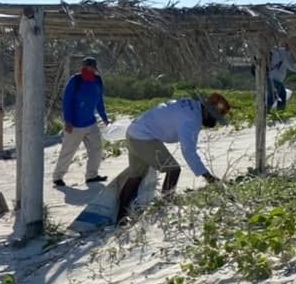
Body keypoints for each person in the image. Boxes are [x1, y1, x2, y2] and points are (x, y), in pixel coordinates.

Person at [117, 93, 230, 221]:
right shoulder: (192, 120)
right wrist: (209, 177)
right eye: (214, 118)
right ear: (207, 111)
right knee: (173, 169)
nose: (214, 122)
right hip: (143, 136)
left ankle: (120, 216)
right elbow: (189, 152)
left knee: (136, 176)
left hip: (133, 131)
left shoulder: (191, 105)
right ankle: (164, 207)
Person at [52, 56, 111, 188]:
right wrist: (68, 121)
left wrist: (105, 118)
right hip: (74, 125)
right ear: (82, 67)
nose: (88, 69)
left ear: (95, 68)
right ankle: (58, 177)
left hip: (91, 123)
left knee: (96, 149)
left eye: (91, 66)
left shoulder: (97, 81)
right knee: (68, 151)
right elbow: (67, 102)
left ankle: (91, 176)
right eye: (85, 66)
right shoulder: (75, 81)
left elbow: (99, 102)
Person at [268, 42, 296, 112]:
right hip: (274, 78)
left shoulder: (285, 53)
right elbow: (289, 64)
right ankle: (265, 112)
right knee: (272, 97)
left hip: (278, 79)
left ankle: (280, 111)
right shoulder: (282, 52)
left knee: (282, 95)